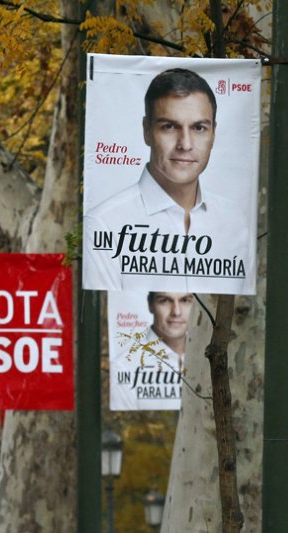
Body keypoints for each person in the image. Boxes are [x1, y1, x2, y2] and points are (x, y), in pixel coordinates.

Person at [84, 67, 252, 293]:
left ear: (213, 134)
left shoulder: (235, 222)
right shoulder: (104, 223)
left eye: (199, 128)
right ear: (146, 131)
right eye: (169, 127)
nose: (185, 144)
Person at [110, 291, 193, 410]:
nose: (176, 312)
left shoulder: (207, 358)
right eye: (164, 300)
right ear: (150, 305)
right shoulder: (124, 366)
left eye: (185, 300)